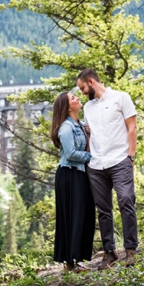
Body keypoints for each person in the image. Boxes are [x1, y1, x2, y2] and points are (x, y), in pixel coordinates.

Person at [75, 69, 138, 269]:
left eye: (83, 88)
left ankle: (130, 250)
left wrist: (131, 156)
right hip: (96, 165)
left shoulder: (121, 98)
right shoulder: (88, 108)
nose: (82, 92)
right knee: (103, 211)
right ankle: (109, 254)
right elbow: (90, 134)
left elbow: (132, 127)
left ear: (91, 82)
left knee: (126, 200)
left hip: (120, 160)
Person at [49, 91, 96, 273]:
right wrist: (92, 157)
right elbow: (70, 154)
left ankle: (79, 259)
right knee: (72, 216)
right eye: (73, 98)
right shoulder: (66, 128)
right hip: (69, 175)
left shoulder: (80, 125)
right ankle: (71, 261)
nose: (78, 98)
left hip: (81, 174)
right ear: (68, 107)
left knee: (84, 215)